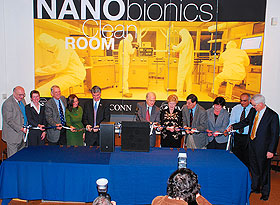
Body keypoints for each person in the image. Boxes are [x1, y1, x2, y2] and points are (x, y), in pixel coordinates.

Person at [227, 94, 279, 201]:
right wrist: (233, 126)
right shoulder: (253, 111)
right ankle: (255, 188)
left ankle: (265, 193)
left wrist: (271, 150)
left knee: (264, 171)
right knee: (254, 169)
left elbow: (274, 135)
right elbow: (245, 122)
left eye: (254, 105)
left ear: (261, 104)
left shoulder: (272, 116)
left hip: (264, 149)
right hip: (251, 145)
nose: (253, 107)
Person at [2, 86, 27, 157]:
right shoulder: (8, 103)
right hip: (12, 136)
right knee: (12, 158)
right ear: (14, 93)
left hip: (22, 136)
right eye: (20, 95)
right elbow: (9, 120)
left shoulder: (22, 101)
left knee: (21, 157)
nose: (22, 96)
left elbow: (24, 115)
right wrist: (21, 128)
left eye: (23, 94)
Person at [229, 93, 252, 167]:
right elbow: (232, 121)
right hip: (237, 136)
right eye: (241, 100)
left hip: (248, 137)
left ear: (249, 100)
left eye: (244, 101)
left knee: (246, 158)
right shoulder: (236, 108)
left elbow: (246, 122)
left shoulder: (253, 109)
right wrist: (230, 128)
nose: (242, 103)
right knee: (237, 157)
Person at [172, 28, 194, 97]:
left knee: (181, 77)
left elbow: (178, 48)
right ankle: (189, 93)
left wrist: (172, 46)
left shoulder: (185, 39)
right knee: (188, 78)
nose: (181, 37)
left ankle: (179, 93)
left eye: (181, 35)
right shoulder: (190, 39)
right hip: (189, 61)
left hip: (184, 61)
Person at [118, 33, 135, 98]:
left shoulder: (121, 41)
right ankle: (125, 91)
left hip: (120, 62)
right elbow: (130, 52)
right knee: (125, 77)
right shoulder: (128, 42)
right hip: (125, 62)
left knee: (121, 76)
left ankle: (120, 89)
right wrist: (135, 48)